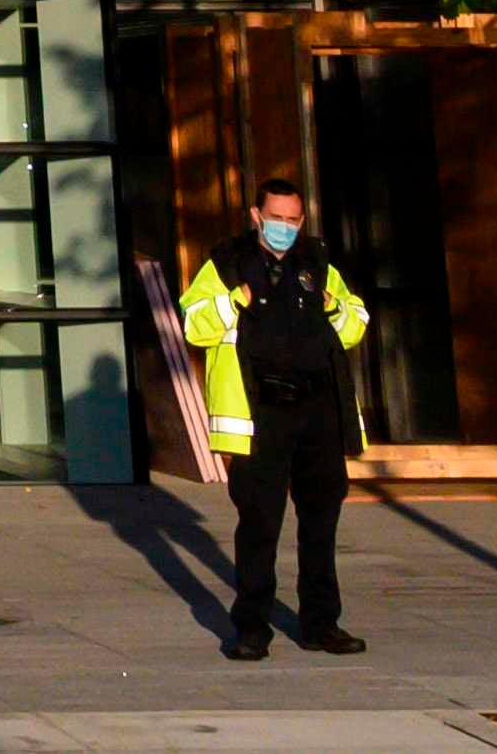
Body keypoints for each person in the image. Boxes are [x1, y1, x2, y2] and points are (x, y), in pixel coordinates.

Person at [179, 182, 372, 659]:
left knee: (321, 522)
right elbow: (194, 325)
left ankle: (321, 625)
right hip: (260, 413)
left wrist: (334, 307)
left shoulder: (317, 263)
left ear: (301, 221)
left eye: (292, 220)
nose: (284, 227)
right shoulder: (226, 263)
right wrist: (234, 300)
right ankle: (251, 630)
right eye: (276, 217)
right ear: (255, 215)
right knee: (260, 524)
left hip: (318, 410)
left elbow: (356, 323)